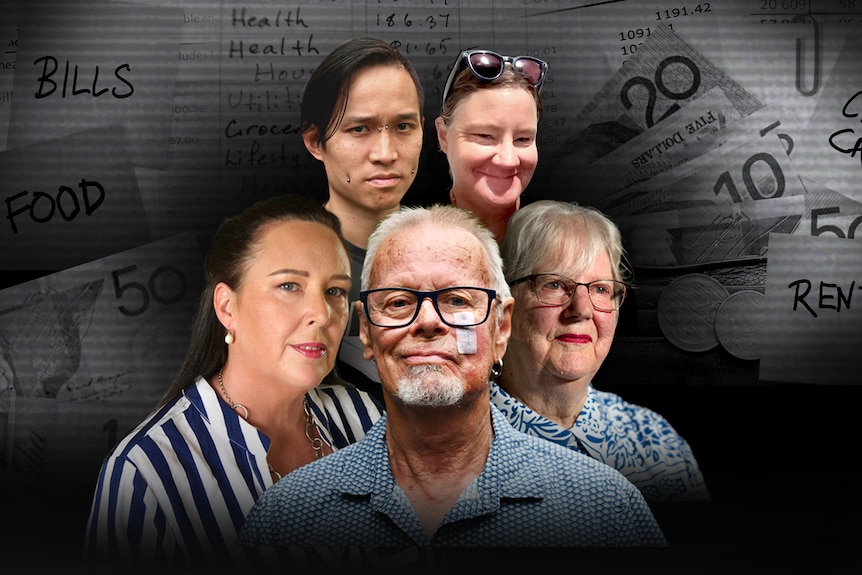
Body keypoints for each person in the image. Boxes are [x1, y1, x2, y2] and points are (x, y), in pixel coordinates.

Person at [238, 204, 667, 570]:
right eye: (398, 302)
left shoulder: (605, 512)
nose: (428, 322)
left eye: (457, 300)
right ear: (366, 331)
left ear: (501, 327)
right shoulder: (286, 520)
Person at [83, 194, 384, 570]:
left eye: (335, 290)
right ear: (227, 307)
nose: (322, 314)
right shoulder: (146, 474)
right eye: (289, 286)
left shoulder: (364, 416)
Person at [493, 199, 710, 502]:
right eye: (554, 284)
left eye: (600, 289)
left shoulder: (656, 442)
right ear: (504, 307)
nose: (582, 309)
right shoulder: (456, 440)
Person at [300, 37, 425, 402]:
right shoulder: (284, 266)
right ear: (315, 141)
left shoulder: (452, 255)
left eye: (403, 127)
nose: (385, 154)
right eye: (359, 129)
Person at [435, 49, 546, 242]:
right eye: (485, 136)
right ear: (443, 136)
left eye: (522, 139)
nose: (508, 160)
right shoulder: (410, 241)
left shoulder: (561, 242)